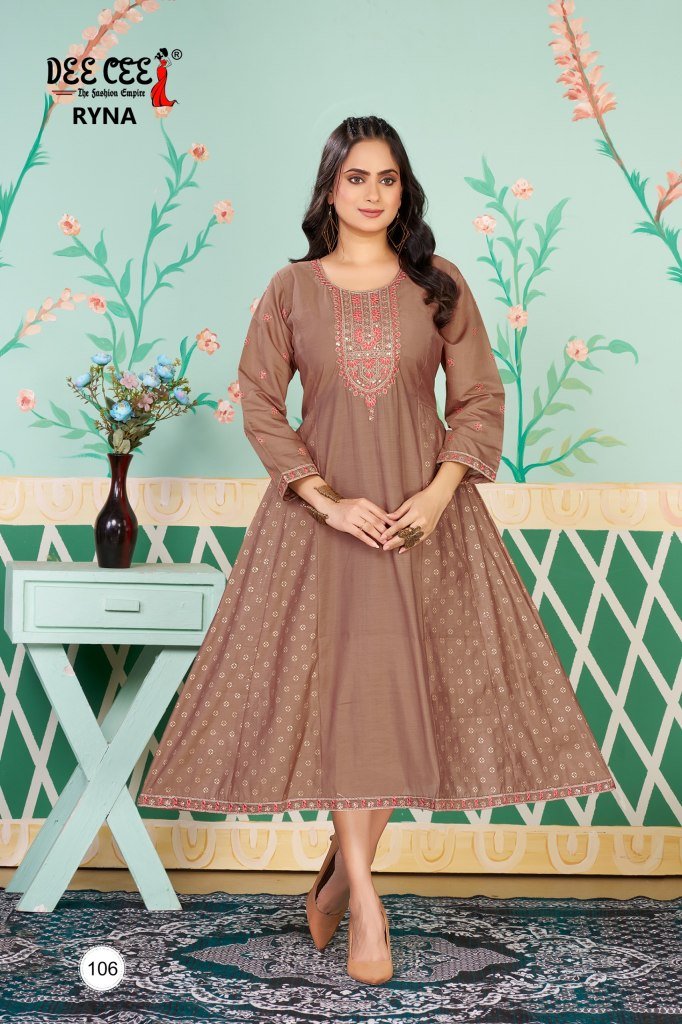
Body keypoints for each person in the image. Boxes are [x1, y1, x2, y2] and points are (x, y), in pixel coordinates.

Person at [137, 114, 617, 985]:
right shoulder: (291, 290)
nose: (372, 193)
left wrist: (435, 497)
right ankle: (364, 897)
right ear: (329, 189)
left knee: (399, 701)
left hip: (421, 524)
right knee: (346, 702)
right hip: (321, 527)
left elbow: (479, 400)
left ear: (405, 190)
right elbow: (258, 401)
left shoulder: (439, 285)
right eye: (355, 177)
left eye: (387, 178)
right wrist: (325, 500)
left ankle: (333, 881)